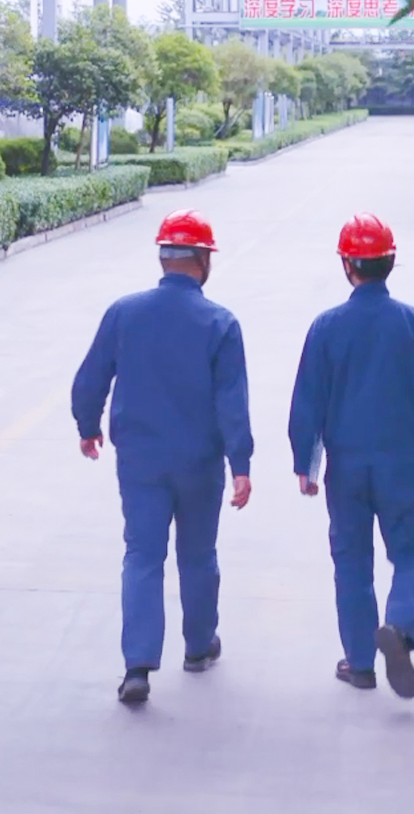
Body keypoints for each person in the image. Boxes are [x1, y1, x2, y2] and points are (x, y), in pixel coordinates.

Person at [71, 209, 253, 706]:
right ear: (203, 261)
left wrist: (88, 427)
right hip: (199, 462)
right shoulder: (220, 323)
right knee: (198, 555)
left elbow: (89, 380)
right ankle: (198, 646)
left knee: (142, 555)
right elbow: (232, 403)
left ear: (163, 257)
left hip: (140, 461)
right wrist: (240, 465)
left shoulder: (124, 313)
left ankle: (137, 666)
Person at [287, 213, 414, 697]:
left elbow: (308, 401)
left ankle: (361, 663)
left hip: (347, 468)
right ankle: (401, 626)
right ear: (391, 261)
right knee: (411, 553)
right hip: (403, 467)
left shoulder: (326, 327)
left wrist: (306, 463)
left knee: (351, 561)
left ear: (347, 265)